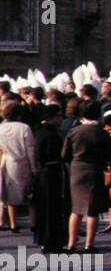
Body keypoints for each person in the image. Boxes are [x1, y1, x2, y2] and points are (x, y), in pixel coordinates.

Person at [62, 101, 111, 253]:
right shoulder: (102, 133)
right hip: (95, 170)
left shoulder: (74, 131)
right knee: (92, 210)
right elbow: (110, 153)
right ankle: (89, 244)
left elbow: (64, 154)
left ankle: (71, 243)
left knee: (76, 209)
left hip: (77, 170)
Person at [32, 104, 70, 254]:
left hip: (45, 172)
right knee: (52, 207)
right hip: (51, 172)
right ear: (52, 117)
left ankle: (46, 239)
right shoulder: (50, 134)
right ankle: (51, 240)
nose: (61, 118)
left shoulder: (40, 132)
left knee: (46, 207)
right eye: (59, 115)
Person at [0, 99, 38, 233]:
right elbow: (30, 149)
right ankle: (34, 222)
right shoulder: (24, 128)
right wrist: (34, 168)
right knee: (31, 194)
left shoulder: (1, 128)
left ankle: (13, 223)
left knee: (9, 194)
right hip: (24, 162)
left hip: (8, 161)